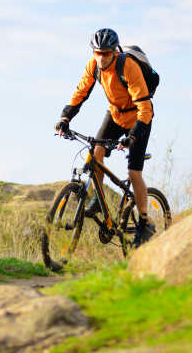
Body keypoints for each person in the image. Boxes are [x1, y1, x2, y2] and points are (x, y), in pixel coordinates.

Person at [55, 28, 155, 247]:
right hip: (115, 113)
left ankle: (145, 222)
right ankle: (99, 202)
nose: (101, 58)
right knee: (95, 153)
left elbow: (145, 108)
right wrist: (65, 118)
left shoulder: (128, 66)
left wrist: (132, 137)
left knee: (134, 172)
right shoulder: (93, 66)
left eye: (106, 53)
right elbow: (80, 93)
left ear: (114, 52)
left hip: (139, 118)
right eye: (97, 53)